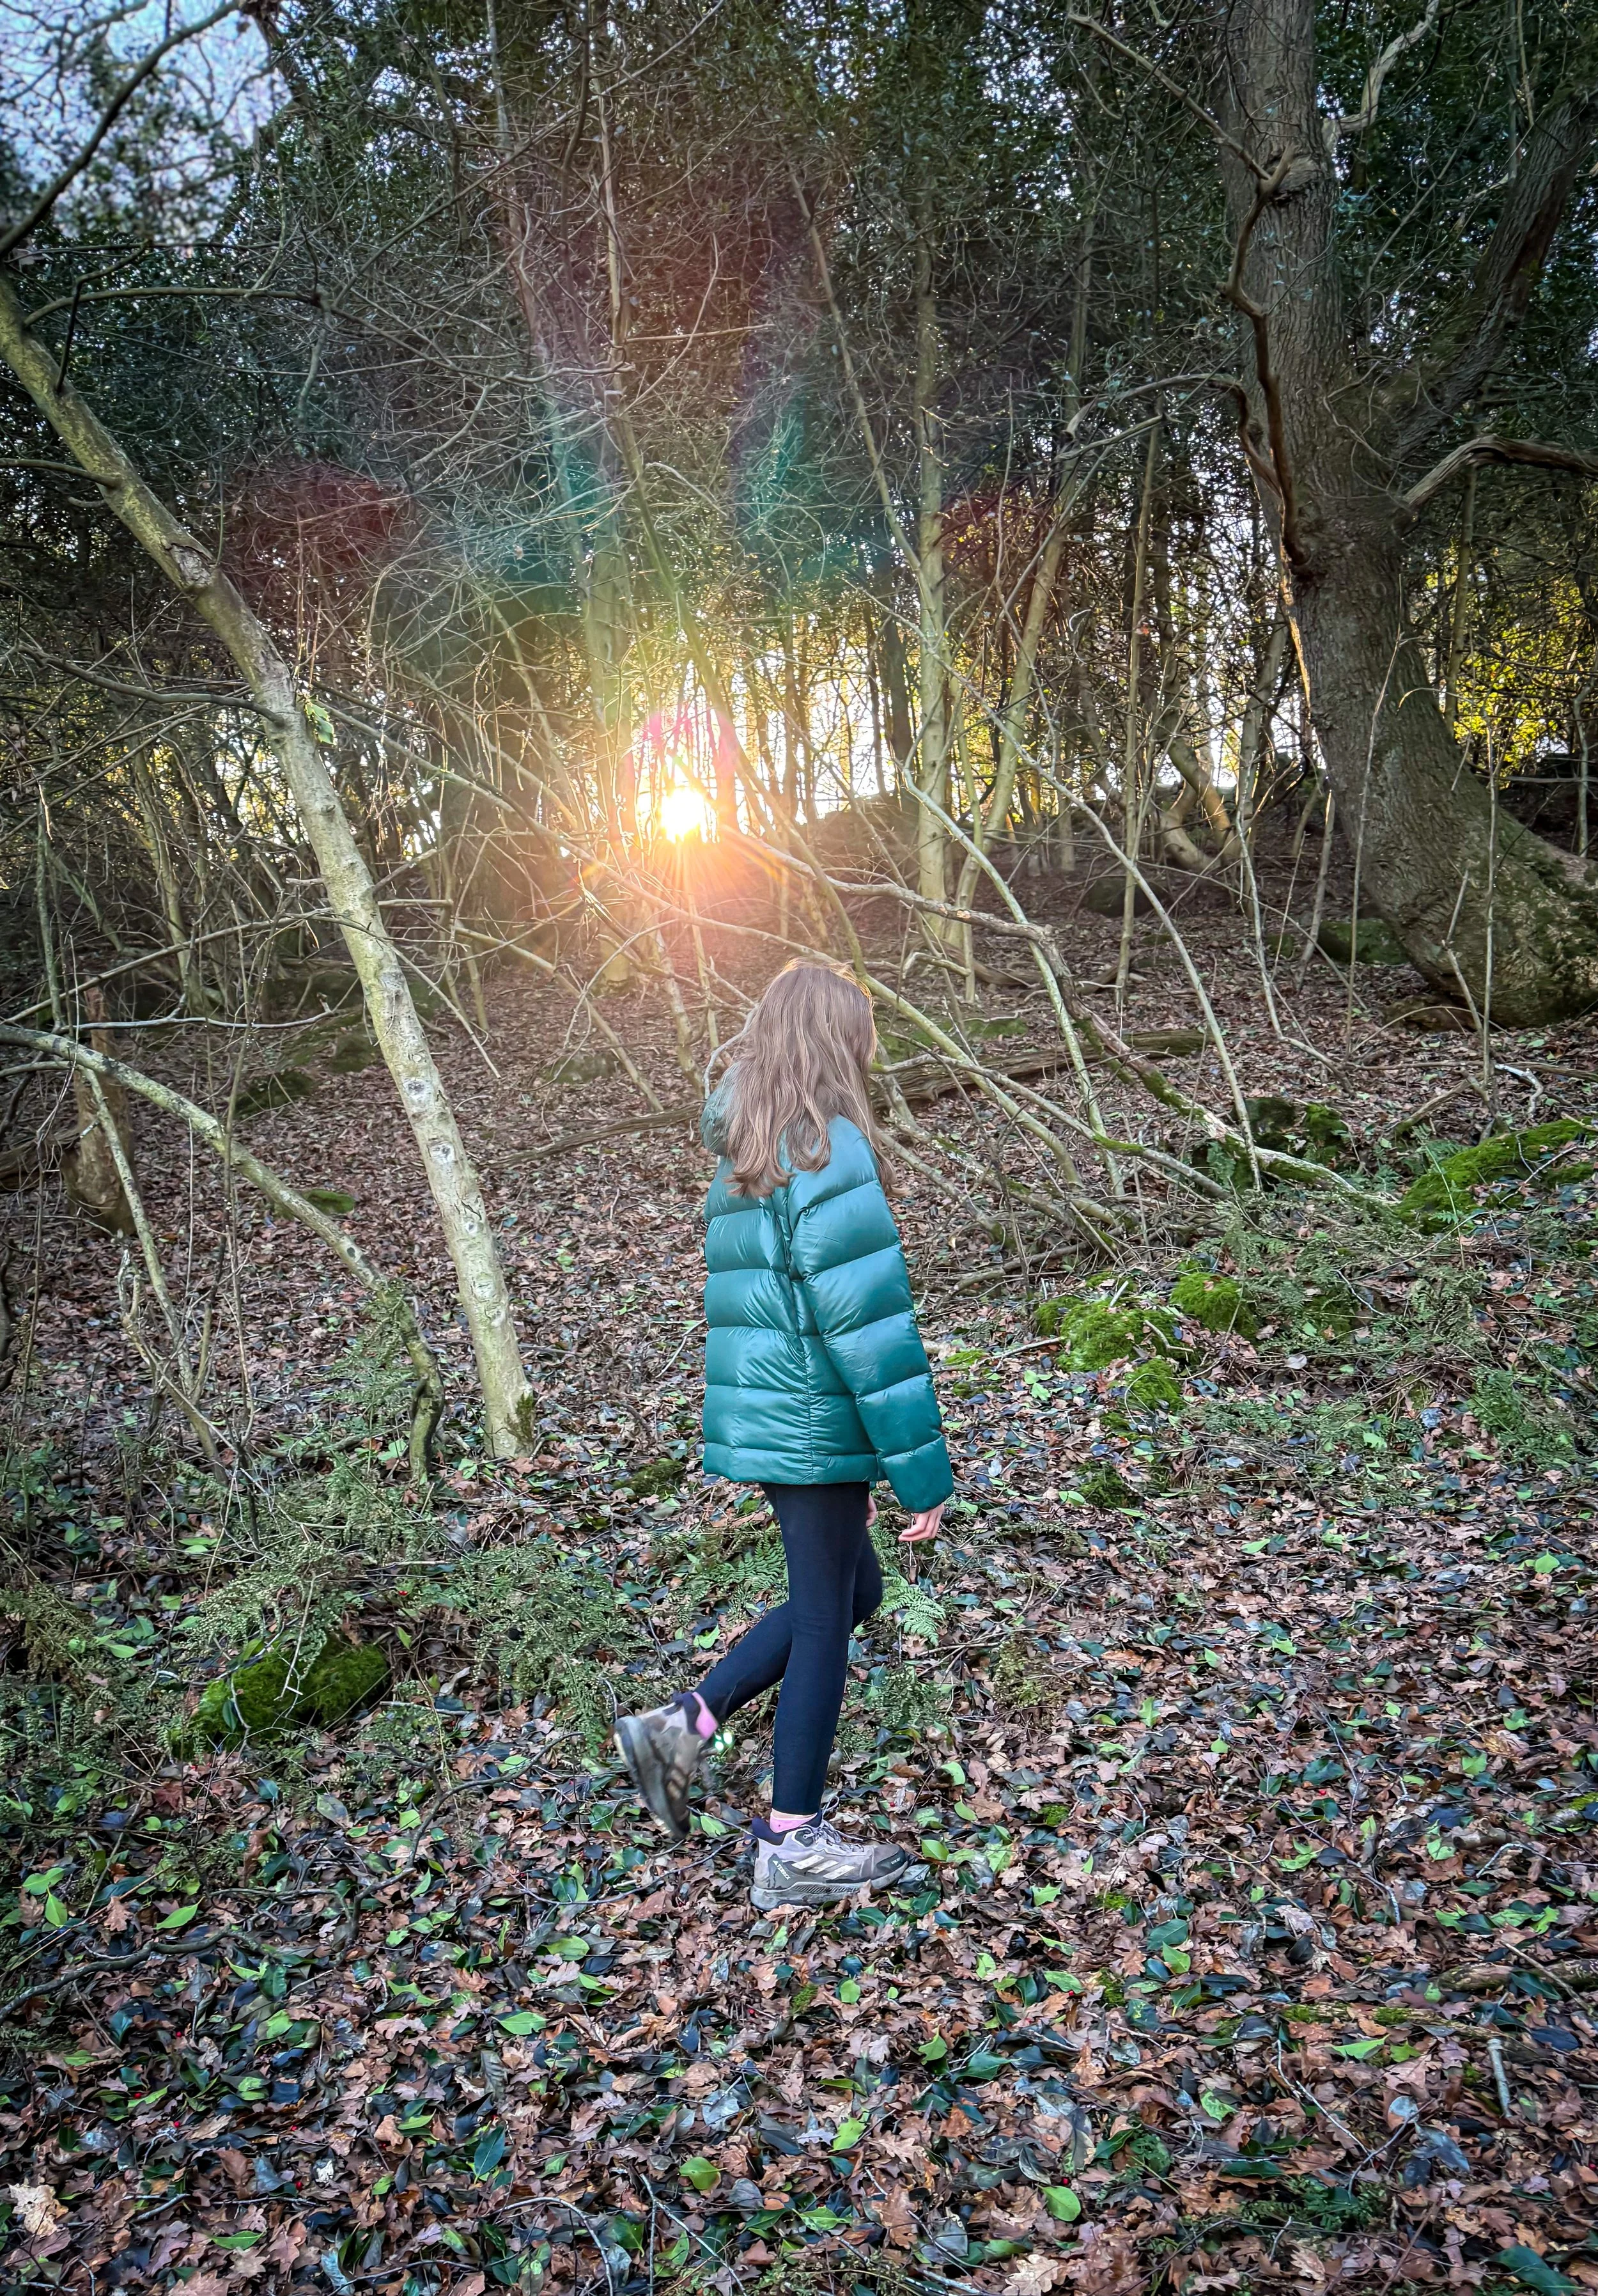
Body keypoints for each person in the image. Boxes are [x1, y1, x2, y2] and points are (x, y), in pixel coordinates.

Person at [615, 959, 954, 1909]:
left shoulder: (748, 1149)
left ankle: (680, 1727)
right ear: (837, 1042)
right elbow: (868, 1327)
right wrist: (919, 1470)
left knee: (856, 1589)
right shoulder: (825, 1148)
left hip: (772, 1415)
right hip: (812, 1421)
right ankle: (791, 1839)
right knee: (824, 1617)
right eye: (862, 1035)